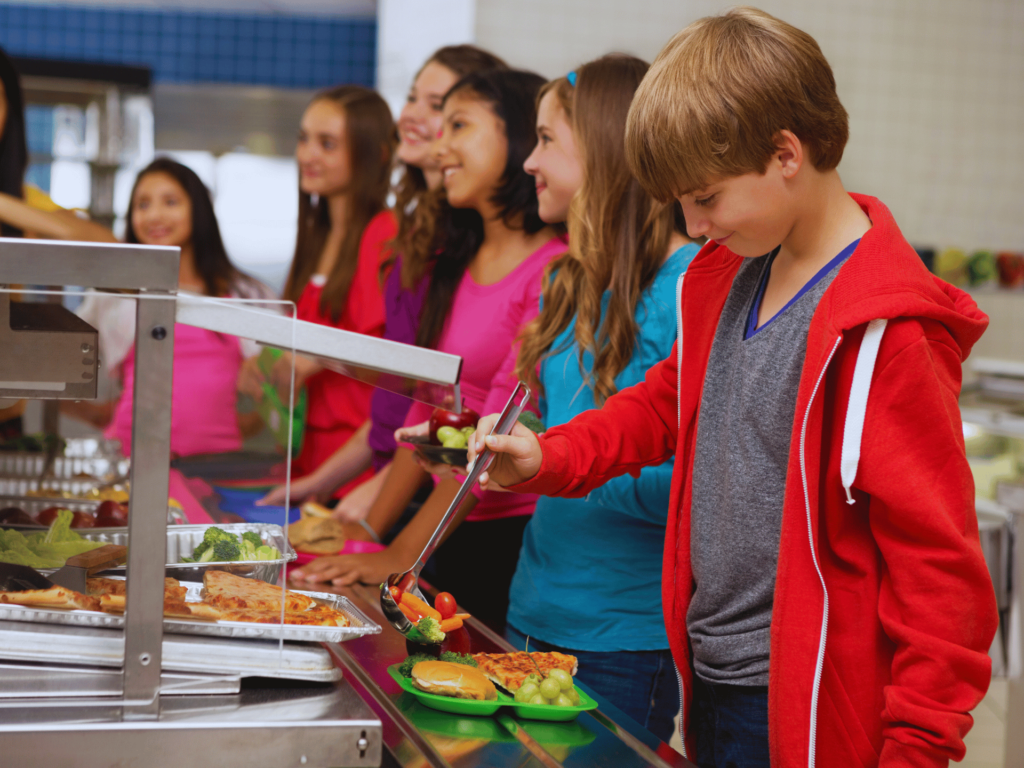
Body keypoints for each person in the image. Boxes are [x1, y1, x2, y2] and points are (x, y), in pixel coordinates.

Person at [469, 9, 997, 767]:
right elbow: (663, 405)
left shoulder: (890, 332)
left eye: (706, 197)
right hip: (711, 680)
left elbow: (941, 574)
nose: (692, 225)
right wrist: (549, 457)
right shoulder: (731, 277)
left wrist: (917, 746)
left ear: (786, 152)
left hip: (805, 703)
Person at [292, 69, 566, 634]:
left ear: (517, 139)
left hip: (499, 535)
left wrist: (400, 558)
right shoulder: (459, 264)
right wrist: (372, 533)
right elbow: (430, 411)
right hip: (445, 527)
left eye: (458, 126)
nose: (439, 147)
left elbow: (489, 431)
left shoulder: (550, 269)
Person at [504, 55, 698, 742]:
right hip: (531, 609)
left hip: (618, 640)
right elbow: (556, 420)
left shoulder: (687, 288)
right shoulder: (571, 281)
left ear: (610, 154)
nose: (529, 161)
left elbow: (696, 488)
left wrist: (553, 465)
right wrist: (491, 445)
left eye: (548, 140)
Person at [259, 46, 507, 519]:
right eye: (413, 97)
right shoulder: (414, 234)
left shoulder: (407, 236)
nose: (411, 114)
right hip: (385, 472)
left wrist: (373, 498)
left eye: (444, 110)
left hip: (433, 489)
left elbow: (429, 396)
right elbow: (409, 399)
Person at [238, 86, 397, 499]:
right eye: (304, 138)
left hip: (357, 471)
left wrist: (317, 357)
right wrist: (267, 366)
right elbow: (300, 346)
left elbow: (394, 367)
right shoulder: (316, 238)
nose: (308, 155)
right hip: (307, 462)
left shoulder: (385, 234)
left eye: (327, 144)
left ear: (375, 154)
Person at [65, 158, 274, 457]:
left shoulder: (247, 293)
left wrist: (251, 423)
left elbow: (281, 382)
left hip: (218, 468)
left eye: (170, 202)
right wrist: (93, 414)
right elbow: (58, 357)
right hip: (129, 462)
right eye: (143, 205)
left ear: (198, 211)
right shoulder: (113, 294)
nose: (154, 216)